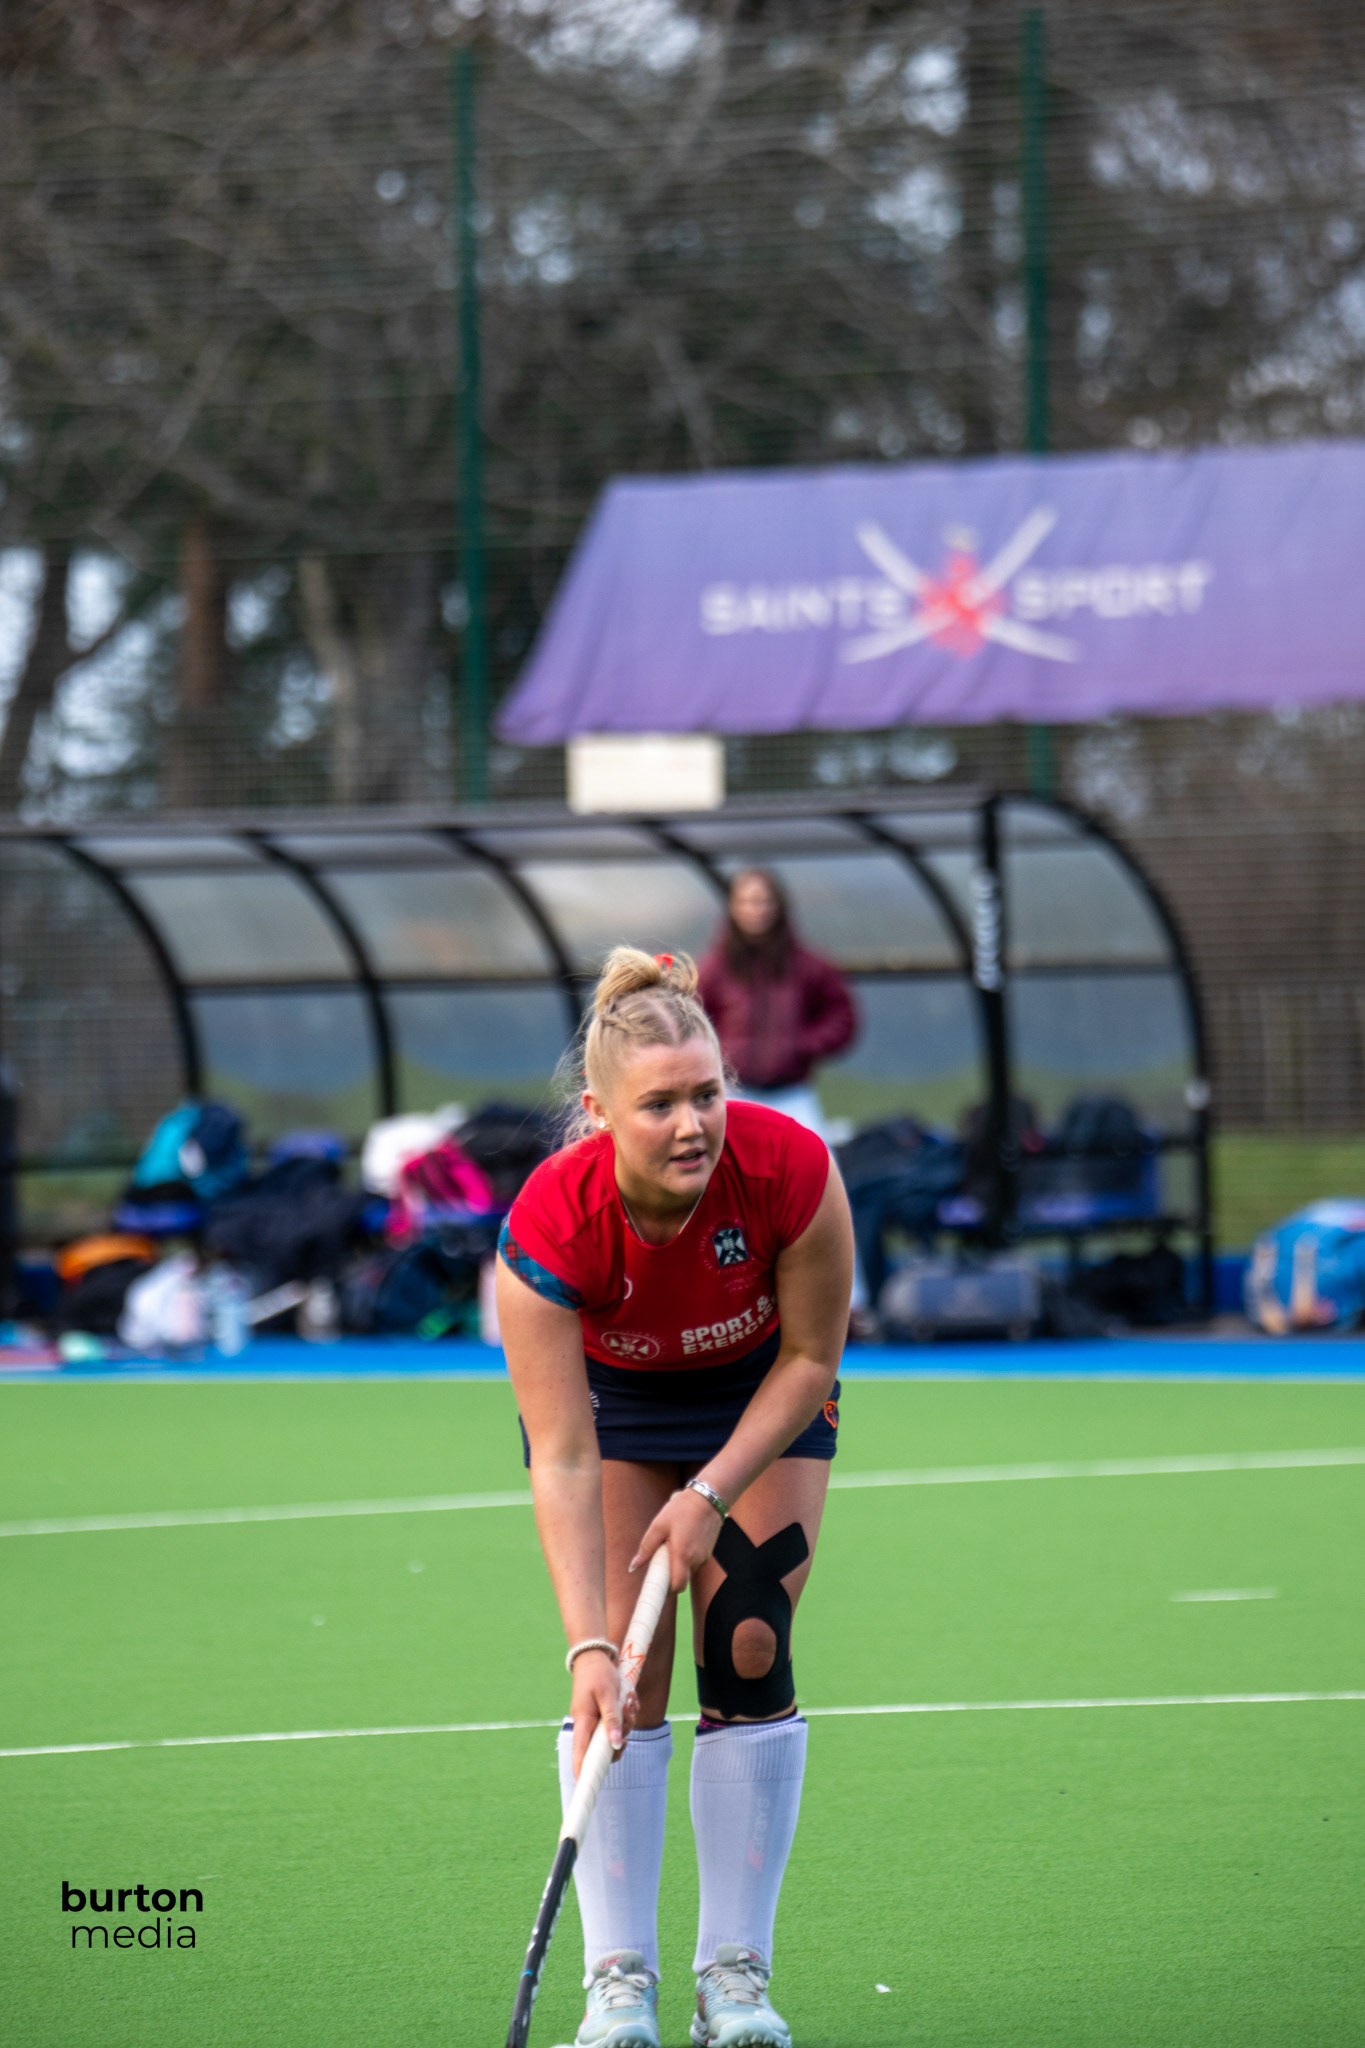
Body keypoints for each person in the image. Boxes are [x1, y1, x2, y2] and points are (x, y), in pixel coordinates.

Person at [497, 947, 854, 2048]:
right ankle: (618, 1982)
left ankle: (733, 1978)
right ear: (600, 1112)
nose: (693, 1123)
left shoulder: (791, 1168)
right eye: (660, 1104)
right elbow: (560, 1454)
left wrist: (709, 1491)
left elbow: (811, 1356)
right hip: (618, 1409)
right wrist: (583, 1646)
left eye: (708, 1093)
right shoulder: (550, 1222)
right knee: (626, 1676)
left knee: (748, 1639)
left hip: (761, 1390)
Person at [697, 869, 857, 1141]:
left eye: (763, 901)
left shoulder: (809, 965)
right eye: (746, 901)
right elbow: (693, 1020)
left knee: (815, 1160)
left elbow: (842, 1018)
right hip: (733, 1093)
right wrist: (720, 1052)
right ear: (732, 907)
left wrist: (802, 1045)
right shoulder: (714, 968)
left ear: (778, 906)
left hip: (792, 1093)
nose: (755, 909)